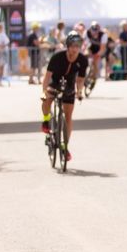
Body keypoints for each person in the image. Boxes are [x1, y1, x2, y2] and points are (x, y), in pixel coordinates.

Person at [40, 33, 87, 162]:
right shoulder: (57, 57)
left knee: (68, 117)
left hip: (69, 86)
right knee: (46, 99)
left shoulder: (83, 60)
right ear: (68, 46)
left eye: (78, 46)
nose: (75, 49)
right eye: (73, 46)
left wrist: (79, 91)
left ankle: (64, 147)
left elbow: (80, 79)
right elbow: (47, 76)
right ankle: (46, 120)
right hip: (54, 83)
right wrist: (44, 91)